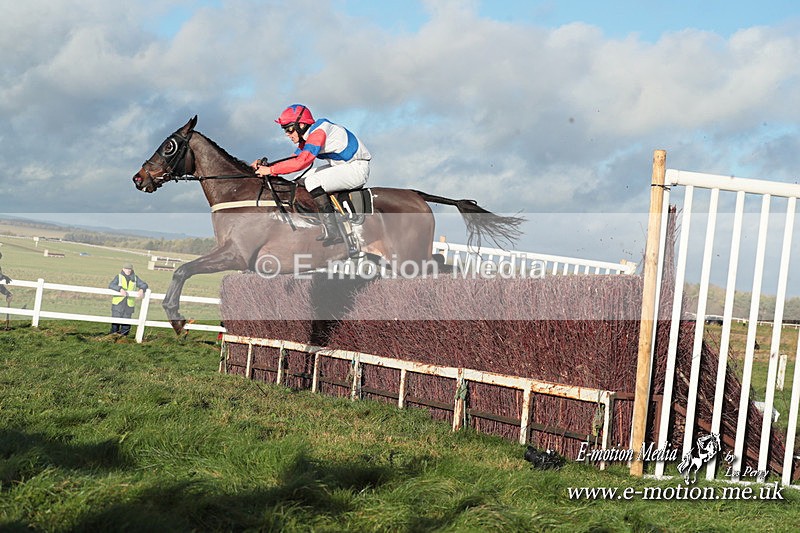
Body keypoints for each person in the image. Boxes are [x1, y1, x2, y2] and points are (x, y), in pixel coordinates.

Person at [251, 104, 370, 254]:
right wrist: (267, 166)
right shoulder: (309, 134)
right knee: (300, 180)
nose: (287, 134)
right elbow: (294, 158)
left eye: (289, 129)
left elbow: (302, 161)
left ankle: (333, 229)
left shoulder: (318, 133)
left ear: (301, 125)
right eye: (285, 130)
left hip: (356, 169)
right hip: (343, 166)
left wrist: (270, 170)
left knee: (312, 181)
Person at [108, 262, 148, 335]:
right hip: (118, 304)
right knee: (115, 323)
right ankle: (113, 337)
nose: (128, 270)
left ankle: (123, 338)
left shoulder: (135, 278)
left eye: (130, 269)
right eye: (126, 269)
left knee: (126, 324)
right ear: (123, 269)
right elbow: (111, 285)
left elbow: (144, 284)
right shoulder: (118, 277)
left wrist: (142, 289)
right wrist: (120, 289)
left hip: (129, 305)